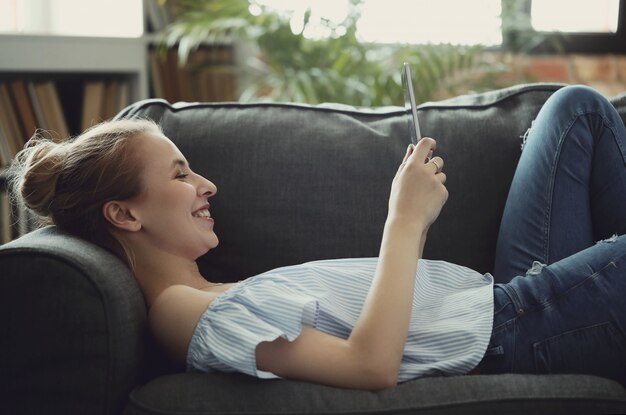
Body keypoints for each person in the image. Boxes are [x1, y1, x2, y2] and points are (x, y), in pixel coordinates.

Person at [8, 85, 626, 390]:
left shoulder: (211, 295)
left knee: (577, 109)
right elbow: (370, 365)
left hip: (503, 294)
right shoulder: (182, 313)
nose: (207, 184)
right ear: (125, 216)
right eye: (179, 174)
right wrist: (404, 218)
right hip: (512, 326)